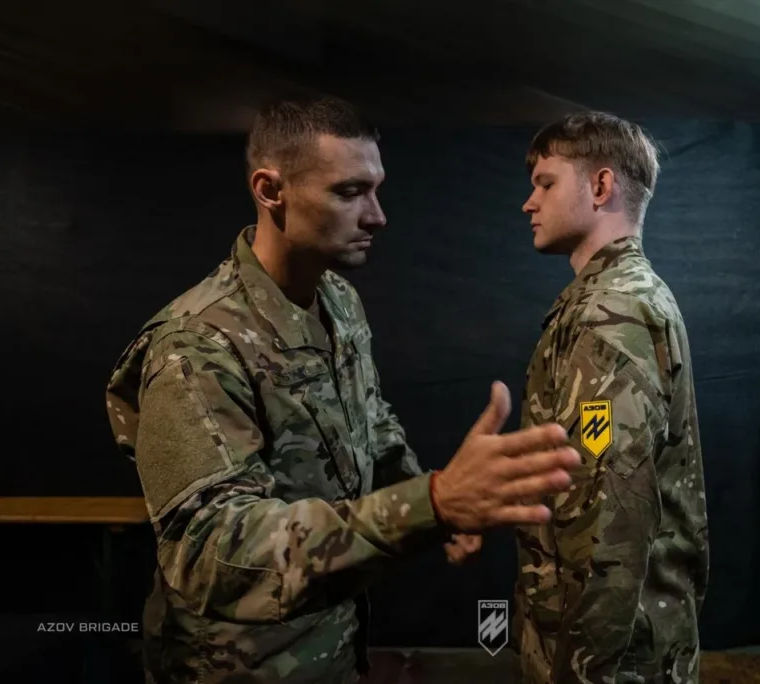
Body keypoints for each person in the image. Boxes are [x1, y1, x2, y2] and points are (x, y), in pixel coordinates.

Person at [103, 96, 581, 684]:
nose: (377, 215)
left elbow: (369, 423)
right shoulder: (194, 345)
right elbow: (211, 555)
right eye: (349, 192)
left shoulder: (338, 301)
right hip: (236, 668)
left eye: (375, 189)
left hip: (333, 648)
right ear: (271, 191)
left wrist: (432, 499)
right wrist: (429, 503)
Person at [512, 112, 710, 684]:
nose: (529, 203)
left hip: (609, 656)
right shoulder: (616, 297)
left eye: (546, 183)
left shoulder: (610, 313)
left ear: (601, 186)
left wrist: (583, 667)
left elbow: (608, 513)